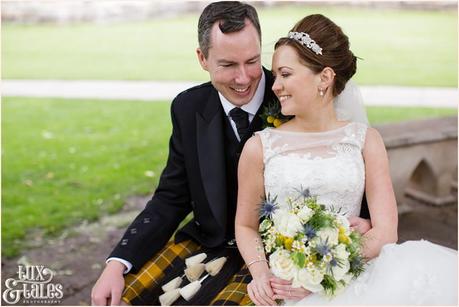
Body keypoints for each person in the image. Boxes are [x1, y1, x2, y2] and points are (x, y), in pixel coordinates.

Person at [91, 3, 371, 306]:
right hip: (206, 246)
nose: (243, 78)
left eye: (252, 61)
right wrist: (118, 263)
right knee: (126, 299)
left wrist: (363, 224)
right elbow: (171, 197)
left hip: (283, 262)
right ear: (202, 58)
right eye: (227, 65)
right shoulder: (188, 108)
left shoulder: (298, 98)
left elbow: (344, 174)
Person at [235, 13, 458, 306]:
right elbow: (246, 225)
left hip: (358, 273)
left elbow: (386, 231)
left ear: (325, 78)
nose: (275, 85)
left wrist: (322, 271)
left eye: (285, 74)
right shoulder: (260, 147)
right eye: (275, 75)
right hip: (286, 285)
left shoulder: (365, 141)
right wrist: (261, 273)